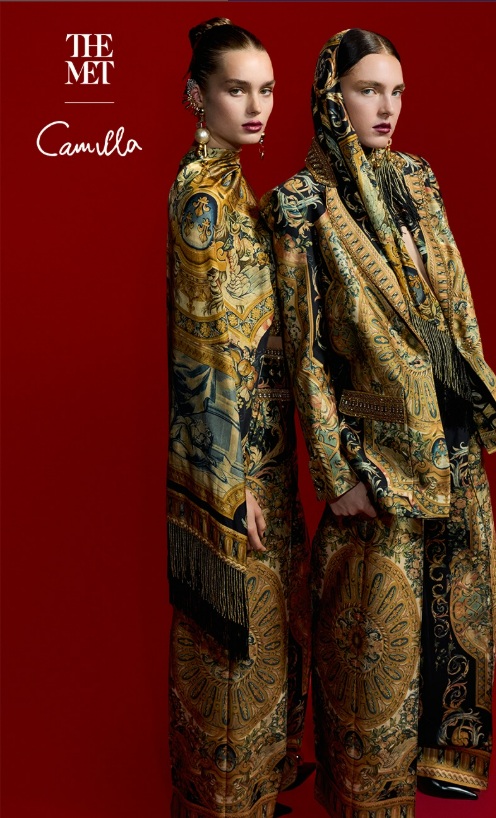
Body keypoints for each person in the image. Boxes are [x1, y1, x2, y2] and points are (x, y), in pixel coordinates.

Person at [263, 28, 496, 818]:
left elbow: (453, 306)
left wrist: (469, 400)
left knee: (456, 628)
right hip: (375, 461)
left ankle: (437, 767)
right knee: (371, 659)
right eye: (367, 89)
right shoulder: (300, 205)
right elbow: (306, 352)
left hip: (452, 447)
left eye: (395, 90)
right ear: (330, 96)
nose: (386, 107)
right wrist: (336, 471)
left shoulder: (415, 179)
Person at [166, 18, 311, 818]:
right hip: (233, 470)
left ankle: (255, 796)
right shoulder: (201, 195)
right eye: (235, 89)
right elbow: (201, 349)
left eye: (266, 90)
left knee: (261, 650)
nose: (255, 107)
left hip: (264, 456)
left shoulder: (233, 185)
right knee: (231, 661)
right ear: (197, 95)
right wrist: (228, 490)